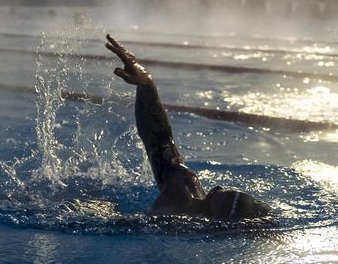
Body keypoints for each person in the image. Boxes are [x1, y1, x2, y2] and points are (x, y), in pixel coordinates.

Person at [104, 34, 270, 221]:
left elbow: (160, 143)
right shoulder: (184, 185)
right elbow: (161, 142)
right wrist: (147, 85)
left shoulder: (181, 207)